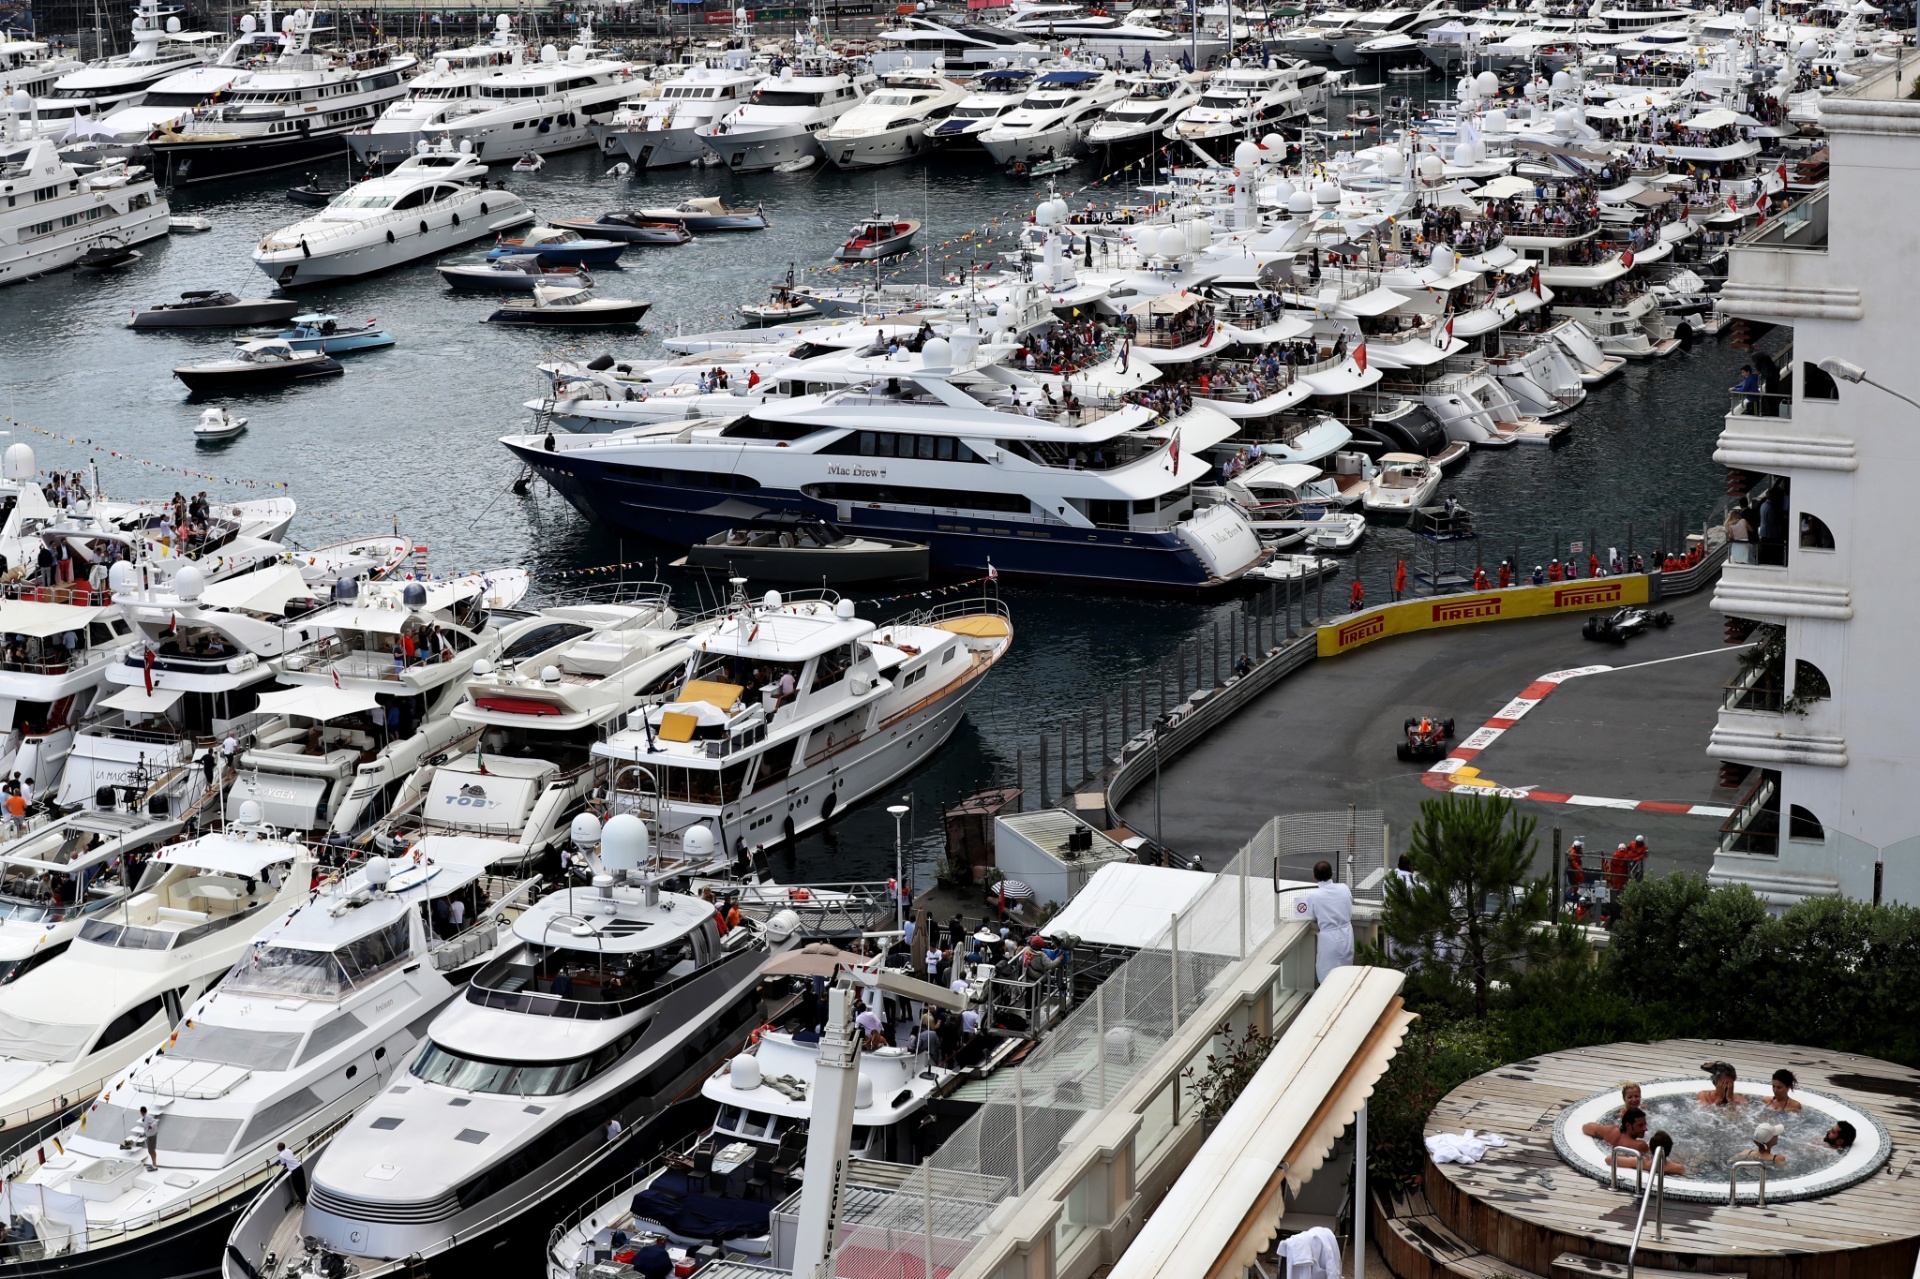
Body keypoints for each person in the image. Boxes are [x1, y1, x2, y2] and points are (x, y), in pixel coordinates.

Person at [1582, 1107, 1684, 1175]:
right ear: (1628, 1125)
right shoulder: (1640, 1146)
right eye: (1640, 1125)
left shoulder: (1612, 1130)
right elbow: (1657, 1157)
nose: (1645, 1128)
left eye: (1645, 1124)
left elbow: (1586, 1127)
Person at [1300, 860, 1354, 982]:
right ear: (1331, 873)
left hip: (1329, 938)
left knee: (1327, 975)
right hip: (1347, 934)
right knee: (1346, 971)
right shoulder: (1344, 888)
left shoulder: (1314, 896)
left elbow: (1312, 916)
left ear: (1315, 876)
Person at [138, 1106, 159, 1170]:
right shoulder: (145, 1117)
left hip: (152, 1136)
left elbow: (155, 1121)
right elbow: (146, 1128)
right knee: (150, 1151)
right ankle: (153, 1164)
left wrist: (151, 1126)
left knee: (151, 1150)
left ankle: (155, 1165)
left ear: (141, 1112)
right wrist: (144, 1134)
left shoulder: (148, 1117)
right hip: (149, 1136)